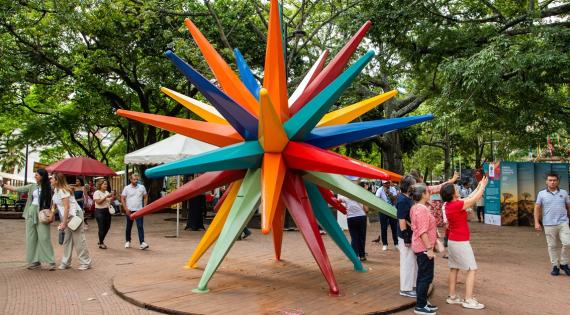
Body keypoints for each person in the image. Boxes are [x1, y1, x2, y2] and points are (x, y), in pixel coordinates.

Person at [441, 176, 488, 310]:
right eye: (455, 188)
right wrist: (483, 186)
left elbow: (470, 197)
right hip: (460, 242)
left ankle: (452, 296)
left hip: (453, 241)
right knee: (471, 269)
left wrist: (479, 186)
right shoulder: (457, 205)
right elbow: (474, 199)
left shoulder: (451, 204)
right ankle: (468, 300)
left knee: (454, 268)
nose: (457, 189)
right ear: (452, 193)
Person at [1, 169, 56, 270]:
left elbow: (55, 202)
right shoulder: (32, 186)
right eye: (35, 175)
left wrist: (52, 213)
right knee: (31, 238)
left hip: (42, 214)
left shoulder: (50, 188)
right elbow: (18, 189)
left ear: (42, 177)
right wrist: (3, 185)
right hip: (30, 212)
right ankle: (35, 261)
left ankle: (51, 261)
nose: (35, 176)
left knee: (44, 237)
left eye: (37, 175)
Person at [51, 172, 92, 270]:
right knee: (66, 240)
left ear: (57, 180)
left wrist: (64, 222)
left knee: (79, 239)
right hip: (67, 216)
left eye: (52, 178)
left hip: (75, 215)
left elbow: (67, 207)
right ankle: (66, 262)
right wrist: (52, 213)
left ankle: (86, 263)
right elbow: (55, 205)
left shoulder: (63, 190)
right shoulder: (56, 190)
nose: (50, 180)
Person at [534, 173, 570, 276]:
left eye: (554, 180)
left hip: (563, 222)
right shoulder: (541, 194)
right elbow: (537, 208)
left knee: (567, 243)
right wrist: (537, 222)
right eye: (550, 180)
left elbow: (568, 206)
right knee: (552, 246)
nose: (552, 182)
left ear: (557, 181)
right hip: (548, 224)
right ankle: (555, 266)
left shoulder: (564, 193)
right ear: (546, 181)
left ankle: (563, 263)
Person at [410, 183, 438, 315]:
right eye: (427, 191)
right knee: (426, 276)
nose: (429, 193)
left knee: (423, 275)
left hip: (421, 247)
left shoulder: (417, 207)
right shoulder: (421, 209)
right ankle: (420, 305)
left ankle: (422, 302)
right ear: (423, 194)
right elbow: (422, 231)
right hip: (423, 248)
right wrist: (429, 248)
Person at [396, 175, 418, 298]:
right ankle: (405, 288)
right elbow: (402, 219)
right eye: (413, 184)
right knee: (407, 262)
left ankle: (411, 285)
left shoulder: (407, 198)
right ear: (409, 186)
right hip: (406, 235)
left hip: (410, 234)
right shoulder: (402, 200)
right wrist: (406, 237)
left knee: (411, 261)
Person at [338, 177, 369, 261]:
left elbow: (338, 201)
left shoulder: (346, 197)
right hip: (361, 217)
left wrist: (344, 209)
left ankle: (354, 256)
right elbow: (366, 210)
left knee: (354, 237)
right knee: (361, 237)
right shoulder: (361, 196)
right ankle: (362, 256)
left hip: (351, 219)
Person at [121, 174, 149, 250]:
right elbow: (122, 198)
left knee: (140, 226)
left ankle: (142, 242)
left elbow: (145, 197)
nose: (136, 181)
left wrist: (145, 207)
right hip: (129, 210)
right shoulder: (126, 188)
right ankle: (127, 241)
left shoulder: (142, 187)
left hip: (139, 210)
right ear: (130, 179)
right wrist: (125, 209)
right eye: (134, 179)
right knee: (128, 227)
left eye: (137, 179)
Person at [375, 180, 398, 250]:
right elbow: (376, 199)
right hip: (383, 211)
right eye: (385, 183)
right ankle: (385, 244)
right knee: (383, 228)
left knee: (394, 227)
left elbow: (395, 200)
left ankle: (396, 243)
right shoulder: (379, 190)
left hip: (392, 210)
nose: (387, 185)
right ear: (383, 184)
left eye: (388, 183)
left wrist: (389, 193)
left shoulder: (393, 189)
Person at [93, 179, 113, 249]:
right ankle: (101, 243)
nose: (106, 185)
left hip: (107, 211)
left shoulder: (107, 192)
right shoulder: (96, 192)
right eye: (104, 184)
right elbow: (98, 202)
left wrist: (113, 197)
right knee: (101, 227)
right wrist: (106, 197)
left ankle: (100, 239)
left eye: (106, 184)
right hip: (99, 211)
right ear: (100, 185)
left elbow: (109, 201)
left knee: (107, 227)